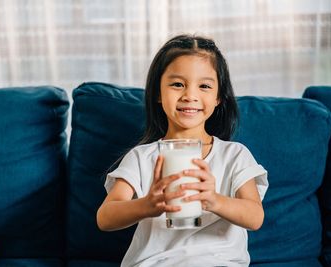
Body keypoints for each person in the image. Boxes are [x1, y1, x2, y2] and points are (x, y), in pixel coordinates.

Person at [96, 34, 268, 267]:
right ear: (158, 92)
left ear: (218, 97)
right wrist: (147, 205)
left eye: (204, 86)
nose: (190, 95)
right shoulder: (141, 157)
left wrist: (213, 200)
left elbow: (255, 217)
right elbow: (105, 217)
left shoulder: (234, 155)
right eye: (177, 84)